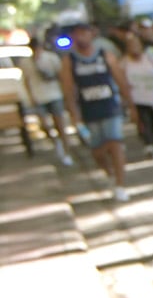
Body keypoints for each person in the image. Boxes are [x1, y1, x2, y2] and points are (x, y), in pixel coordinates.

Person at [60, 16, 135, 202]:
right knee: (97, 150)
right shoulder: (70, 61)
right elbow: (68, 90)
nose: (82, 37)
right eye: (78, 33)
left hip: (110, 106)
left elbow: (120, 79)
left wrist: (131, 105)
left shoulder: (105, 55)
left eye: (85, 32)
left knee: (115, 143)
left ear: (91, 34)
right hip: (89, 110)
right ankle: (109, 173)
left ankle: (120, 185)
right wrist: (74, 116)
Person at [21, 30, 73, 166]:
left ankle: (66, 153)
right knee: (44, 125)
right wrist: (30, 96)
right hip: (39, 96)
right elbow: (26, 81)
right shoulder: (26, 63)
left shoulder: (50, 58)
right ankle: (57, 144)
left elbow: (61, 75)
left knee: (60, 124)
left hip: (54, 94)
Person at [122, 30, 153, 159]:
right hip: (138, 98)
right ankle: (149, 144)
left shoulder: (150, 57)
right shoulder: (124, 62)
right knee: (144, 121)